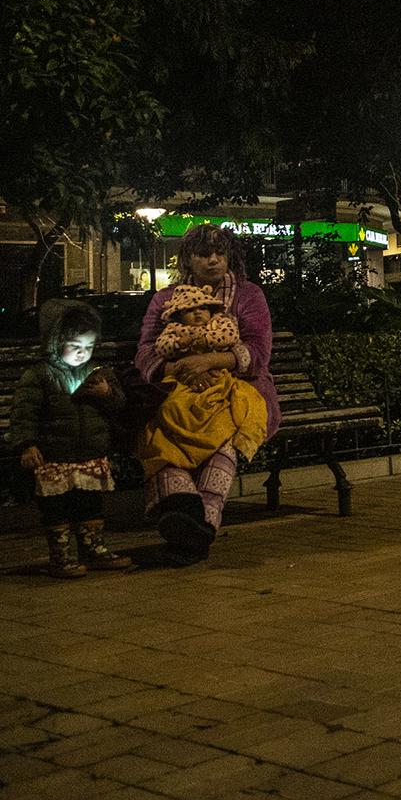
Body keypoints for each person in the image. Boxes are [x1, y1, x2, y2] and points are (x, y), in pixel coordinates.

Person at [133, 225, 280, 563]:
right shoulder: (165, 299)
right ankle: (188, 517)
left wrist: (209, 361)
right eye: (202, 253)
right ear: (188, 258)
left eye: (220, 252)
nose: (213, 260)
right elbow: (145, 352)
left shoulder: (249, 295)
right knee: (161, 429)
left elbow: (259, 351)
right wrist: (179, 369)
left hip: (237, 389)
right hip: (177, 389)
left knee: (221, 432)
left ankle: (195, 525)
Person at [10, 302, 133, 579]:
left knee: (90, 504)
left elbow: (119, 405)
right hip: (54, 456)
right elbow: (24, 412)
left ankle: (94, 548)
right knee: (57, 509)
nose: (82, 353)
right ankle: (61, 555)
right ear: (56, 342)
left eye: (88, 347)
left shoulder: (98, 374)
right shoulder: (41, 375)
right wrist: (27, 443)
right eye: (75, 345)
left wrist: (107, 394)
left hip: (89, 454)